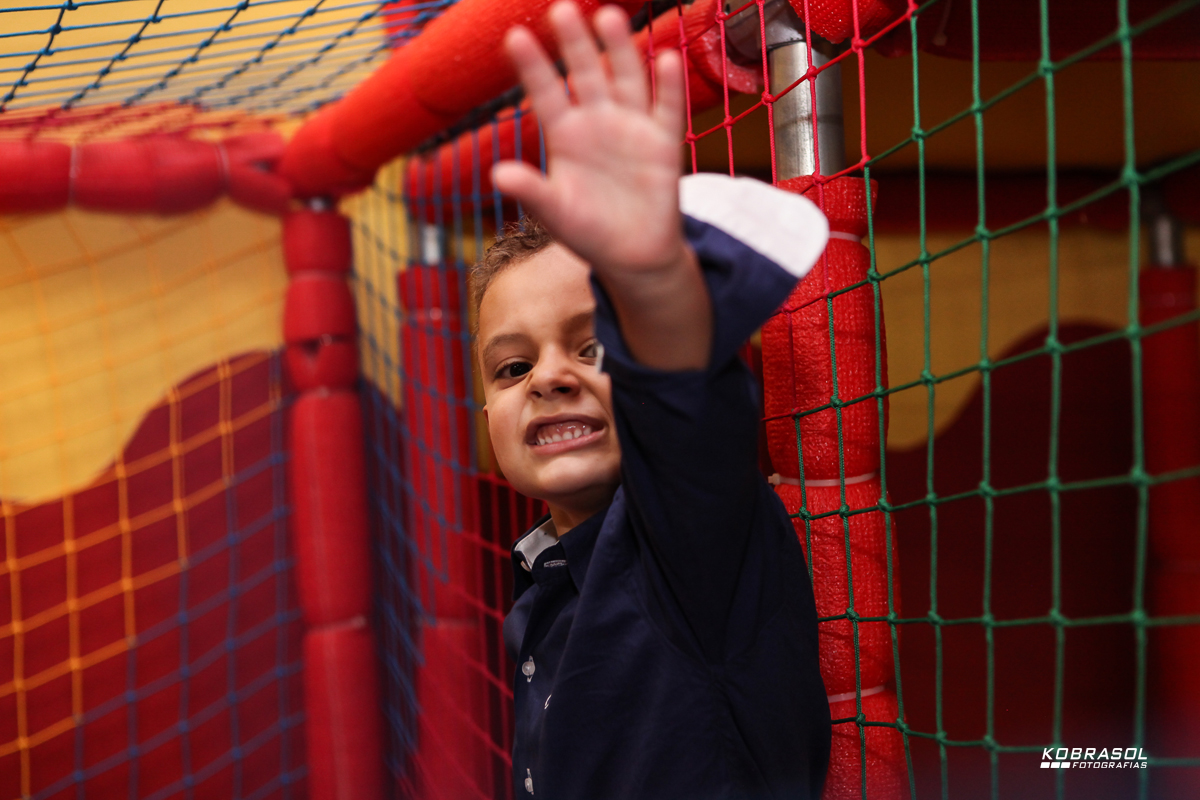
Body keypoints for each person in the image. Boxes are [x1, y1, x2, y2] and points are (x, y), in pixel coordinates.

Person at [474, 2, 832, 797]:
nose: (548, 378)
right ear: (486, 418)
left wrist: (647, 283)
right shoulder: (546, 577)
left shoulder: (687, 542)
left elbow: (683, 406)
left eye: (595, 346)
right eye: (510, 369)